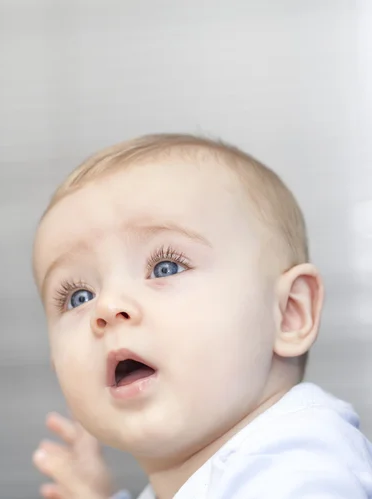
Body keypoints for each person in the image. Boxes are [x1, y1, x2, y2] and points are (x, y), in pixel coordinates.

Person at [31, 134, 372, 498]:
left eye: (165, 267)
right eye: (77, 297)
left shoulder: (298, 459)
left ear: (289, 313)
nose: (107, 307)